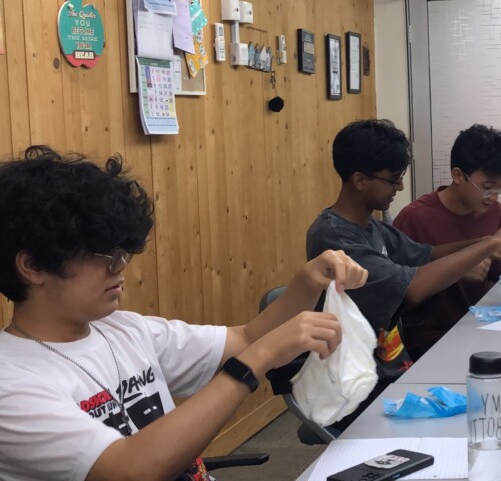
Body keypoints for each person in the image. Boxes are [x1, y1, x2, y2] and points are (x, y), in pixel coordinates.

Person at [0, 146, 368, 481]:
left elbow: (245, 338)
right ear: (33, 266)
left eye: (123, 253)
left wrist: (307, 283)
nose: (121, 267)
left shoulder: (122, 329)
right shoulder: (12, 385)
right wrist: (256, 360)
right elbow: (129, 470)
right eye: (105, 257)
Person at [305, 119, 501, 427]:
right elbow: (412, 287)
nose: (400, 187)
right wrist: (490, 244)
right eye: (393, 180)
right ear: (360, 180)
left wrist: (488, 242)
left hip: (389, 361)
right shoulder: (335, 237)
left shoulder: (374, 228)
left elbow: (428, 254)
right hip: (358, 377)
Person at [393, 124, 501, 360]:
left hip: (480, 327)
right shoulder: (414, 218)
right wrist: (459, 270)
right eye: (487, 187)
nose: (494, 197)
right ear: (458, 175)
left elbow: (495, 281)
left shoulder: (493, 211)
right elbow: (398, 298)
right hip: (429, 340)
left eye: (500, 188)